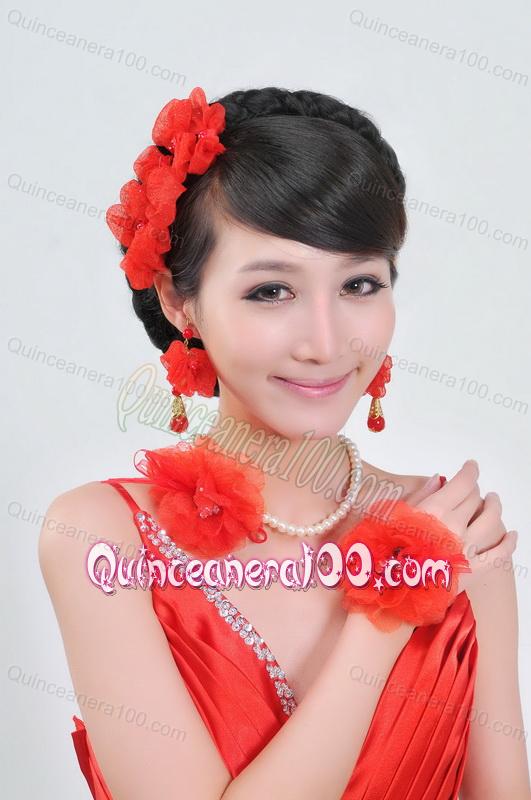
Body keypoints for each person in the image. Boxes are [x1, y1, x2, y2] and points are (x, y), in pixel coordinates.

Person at [38, 86, 529, 799]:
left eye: (359, 284)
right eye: (271, 291)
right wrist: (387, 614)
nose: (325, 343)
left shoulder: (458, 533)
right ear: (179, 302)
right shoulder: (103, 537)